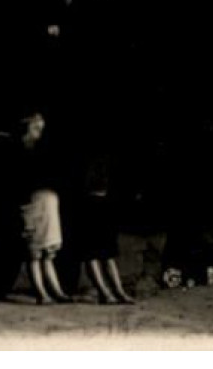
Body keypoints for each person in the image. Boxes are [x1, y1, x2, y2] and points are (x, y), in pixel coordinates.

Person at [11, 110, 70, 304]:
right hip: (33, 203)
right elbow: (20, 184)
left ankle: (56, 290)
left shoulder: (42, 150)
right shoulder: (20, 151)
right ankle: (41, 293)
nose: (40, 131)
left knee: (48, 252)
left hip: (48, 202)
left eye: (41, 128)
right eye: (36, 127)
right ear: (27, 128)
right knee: (35, 252)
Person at [68, 153, 133, 304]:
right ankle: (114, 292)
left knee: (94, 254)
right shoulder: (105, 159)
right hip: (102, 203)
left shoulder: (86, 161)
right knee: (103, 254)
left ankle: (110, 292)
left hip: (93, 204)